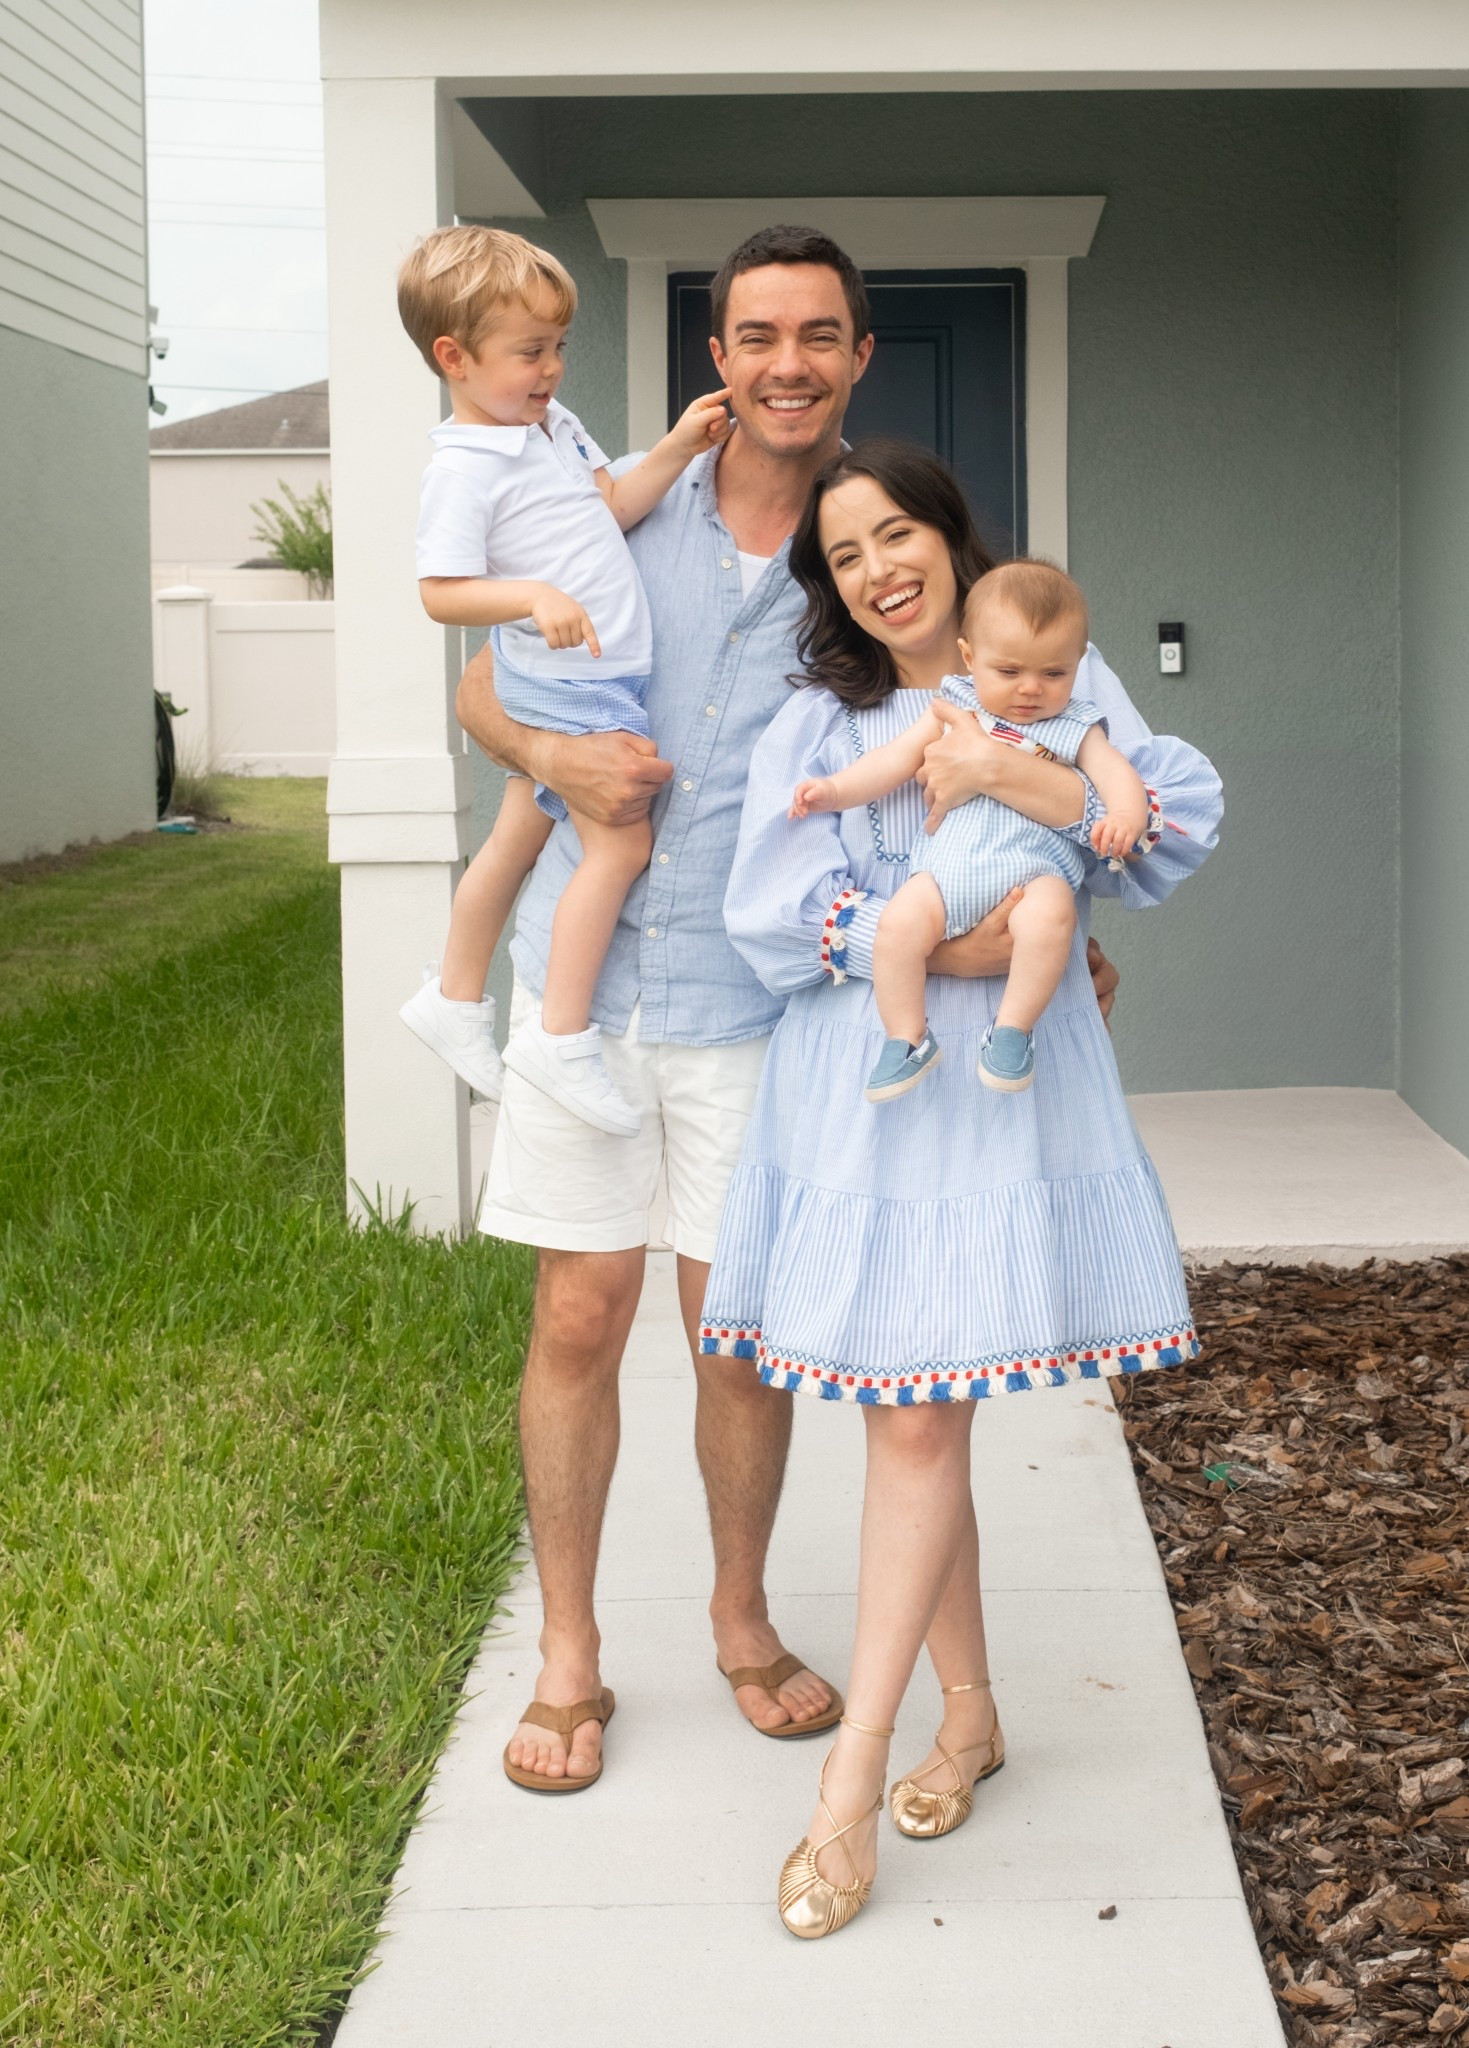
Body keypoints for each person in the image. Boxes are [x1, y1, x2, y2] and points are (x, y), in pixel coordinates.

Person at [452, 227, 1122, 1796]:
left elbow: (1010, 740)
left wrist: (1055, 923)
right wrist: (551, 763)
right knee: (575, 1313)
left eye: (818, 335)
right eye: (757, 335)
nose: (787, 363)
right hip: (589, 970)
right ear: (718, 356)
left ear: (857, 357)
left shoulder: (871, 580)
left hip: (756, 1003)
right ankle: (569, 1658)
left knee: (735, 1340)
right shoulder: (608, 510)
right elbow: (485, 686)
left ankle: (741, 1624)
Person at [696, 440, 1222, 1937]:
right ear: (830, 583)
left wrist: (1017, 771)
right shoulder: (818, 714)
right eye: (843, 551)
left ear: (947, 535)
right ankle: (970, 1715)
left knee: (921, 1419)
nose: (876, 566)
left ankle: (846, 1786)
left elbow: (1166, 824)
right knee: (912, 1416)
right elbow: (768, 909)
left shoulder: (1052, 667)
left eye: (897, 532)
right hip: (864, 1106)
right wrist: (938, 943)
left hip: (992, 1119)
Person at [396, 224, 732, 1130]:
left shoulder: (548, 426)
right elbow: (438, 592)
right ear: (454, 357)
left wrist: (675, 449)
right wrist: (530, 595)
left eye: (558, 348)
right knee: (619, 844)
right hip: (566, 680)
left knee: (519, 831)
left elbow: (609, 508)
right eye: (528, 353)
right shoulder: (463, 468)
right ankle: (559, 1037)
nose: (550, 369)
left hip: (595, 675)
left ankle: (454, 996)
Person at [790, 555, 1152, 1099]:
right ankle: (907, 1037)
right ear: (970, 657)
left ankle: (1012, 1031)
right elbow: (892, 761)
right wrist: (836, 790)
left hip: (1033, 874)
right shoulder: (954, 705)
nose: (1031, 689)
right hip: (947, 872)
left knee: (1051, 919)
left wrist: (1125, 816)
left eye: (1053, 673)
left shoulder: (1076, 724)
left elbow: (1117, 775)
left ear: (1078, 665)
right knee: (896, 928)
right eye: (1009, 671)